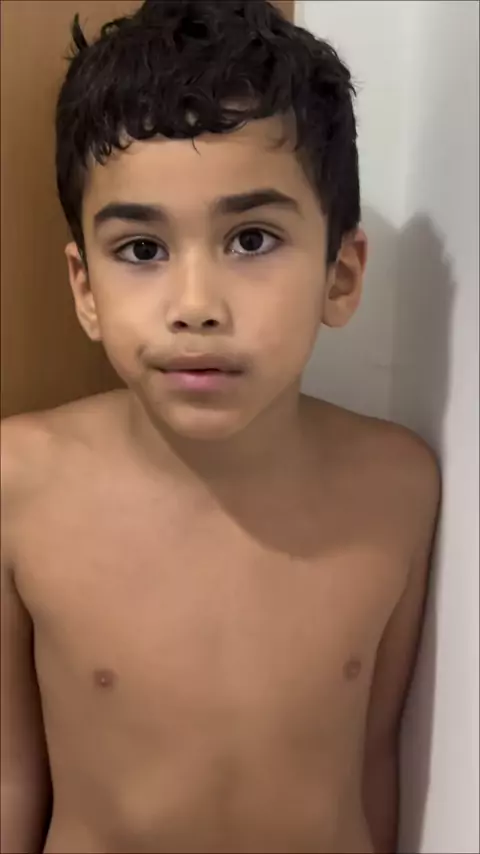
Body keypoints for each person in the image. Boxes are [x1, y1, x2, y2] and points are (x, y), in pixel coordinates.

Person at [0, 1, 441, 852]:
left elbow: (376, 765)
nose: (196, 306)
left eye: (251, 239)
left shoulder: (398, 487)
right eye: (141, 250)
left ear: (341, 274)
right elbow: (9, 775)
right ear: (85, 288)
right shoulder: (20, 482)